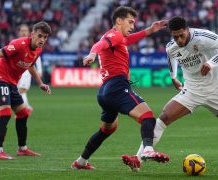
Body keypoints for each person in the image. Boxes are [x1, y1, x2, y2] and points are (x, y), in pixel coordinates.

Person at [122, 16, 218, 171]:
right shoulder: (171, 46)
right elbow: (171, 58)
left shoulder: (203, 37)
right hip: (192, 90)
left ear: (187, 29)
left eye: (181, 35)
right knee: (164, 117)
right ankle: (137, 160)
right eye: (175, 36)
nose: (178, 39)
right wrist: (173, 77)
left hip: (215, 91)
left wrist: (211, 62)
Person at [71, 6, 169, 170]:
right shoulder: (113, 35)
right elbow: (99, 44)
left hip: (105, 91)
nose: (132, 26)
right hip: (117, 87)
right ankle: (148, 150)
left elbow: (129, 40)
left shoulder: (118, 38)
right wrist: (92, 54)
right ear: (119, 21)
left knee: (107, 129)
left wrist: (150, 30)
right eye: (130, 22)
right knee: (148, 117)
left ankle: (80, 162)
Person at [0, 21, 52, 160]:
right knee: (5, 113)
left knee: (23, 113)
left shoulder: (38, 49)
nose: (42, 40)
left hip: (12, 83)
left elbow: (30, 66)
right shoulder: (19, 44)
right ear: (32, 34)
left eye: (45, 37)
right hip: (1, 79)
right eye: (40, 36)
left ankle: (22, 149)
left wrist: (41, 83)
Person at [17, 24, 43, 114]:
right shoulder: (16, 42)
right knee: (18, 91)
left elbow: (37, 57)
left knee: (21, 90)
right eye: (22, 30)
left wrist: (39, 70)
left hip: (27, 70)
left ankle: (24, 110)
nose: (24, 32)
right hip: (16, 71)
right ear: (19, 32)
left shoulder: (32, 43)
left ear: (29, 32)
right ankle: (27, 107)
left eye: (25, 30)